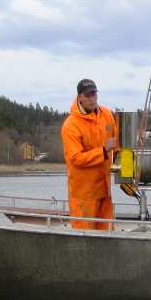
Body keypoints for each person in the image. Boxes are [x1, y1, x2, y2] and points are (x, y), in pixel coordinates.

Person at [61, 79, 118, 230]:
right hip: (83, 194)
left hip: (104, 190)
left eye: (94, 94)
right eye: (88, 95)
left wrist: (125, 164)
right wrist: (104, 151)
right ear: (79, 97)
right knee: (84, 238)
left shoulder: (106, 114)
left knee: (107, 235)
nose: (92, 98)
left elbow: (117, 142)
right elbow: (76, 159)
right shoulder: (71, 125)